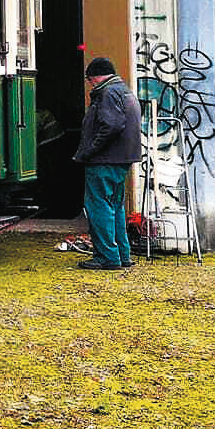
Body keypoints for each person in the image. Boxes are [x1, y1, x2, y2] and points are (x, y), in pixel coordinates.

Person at [73, 56, 140, 270]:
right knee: (116, 207)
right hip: (122, 159)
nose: (90, 84)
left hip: (104, 160)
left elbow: (111, 125)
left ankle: (106, 256)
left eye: (89, 80)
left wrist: (90, 150)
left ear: (94, 77)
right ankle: (122, 254)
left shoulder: (107, 93)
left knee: (98, 206)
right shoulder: (125, 91)